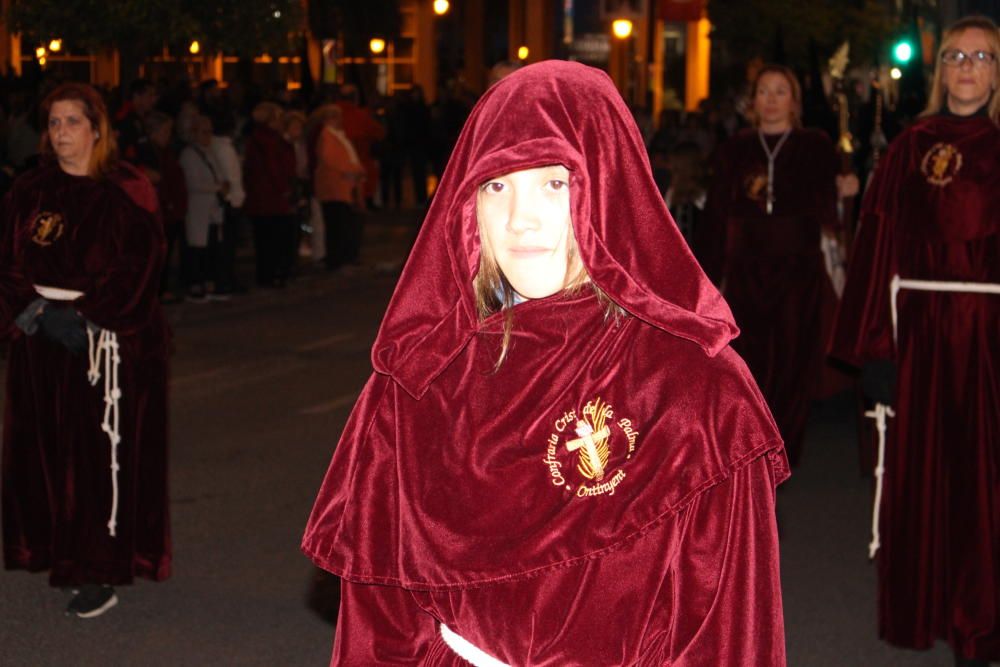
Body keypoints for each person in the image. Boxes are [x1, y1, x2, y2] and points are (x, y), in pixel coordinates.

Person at [302, 60, 788, 665]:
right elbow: (381, 633)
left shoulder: (697, 394)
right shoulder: (418, 387)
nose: (519, 219)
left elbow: (723, 640)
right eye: (497, 185)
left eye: (554, 183)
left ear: (610, 188)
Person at [830, 16, 1000, 667]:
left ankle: (982, 619)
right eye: (955, 55)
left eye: (981, 56)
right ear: (940, 70)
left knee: (986, 479)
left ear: (995, 71)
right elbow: (877, 246)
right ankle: (935, 606)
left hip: (989, 336)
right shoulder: (910, 146)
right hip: (924, 334)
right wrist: (876, 347)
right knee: (930, 477)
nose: (966, 66)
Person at [0, 82, 170, 618]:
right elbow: (8, 263)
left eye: (72, 122)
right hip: (42, 341)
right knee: (45, 452)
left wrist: (87, 314)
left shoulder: (126, 189)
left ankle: (100, 568)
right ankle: (57, 550)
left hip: (105, 346)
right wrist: (37, 315)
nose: (61, 133)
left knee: (97, 459)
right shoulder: (29, 192)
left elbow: (139, 267)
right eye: (53, 123)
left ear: (97, 129)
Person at [696, 64, 857, 466]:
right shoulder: (735, 148)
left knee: (792, 360)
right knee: (748, 360)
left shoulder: (815, 145)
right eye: (764, 91)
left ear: (794, 101)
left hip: (797, 271)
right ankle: (752, 445)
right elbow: (717, 214)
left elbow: (832, 213)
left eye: (780, 91)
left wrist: (847, 194)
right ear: (753, 101)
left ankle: (784, 449)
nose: (770, 99)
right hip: (747, 270)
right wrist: (704, 279)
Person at [243, 102, 297, 288]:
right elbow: (275, 168)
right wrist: (284, 189)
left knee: (265, 238)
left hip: (262, 197)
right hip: (271, 197)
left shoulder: (257, 139)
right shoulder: (269, 141)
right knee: (272, 238)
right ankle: (271, 275)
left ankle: (267, 274)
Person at [137, 111, 187, 302]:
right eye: (166, 131)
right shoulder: (148, 151)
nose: (169, 135)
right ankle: (157, 290)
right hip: (161, 210)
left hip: (171, 209)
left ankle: (161, 288)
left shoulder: (165, 151)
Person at [179, 114, 228, 301]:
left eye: (210, 132)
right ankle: (196, 285)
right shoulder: (189, 155)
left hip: (212, 210)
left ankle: (209, 282)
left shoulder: (209, 152)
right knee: (197, 249)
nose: (208, 136)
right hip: (198, 208)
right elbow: (192, 183)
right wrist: (217, 187)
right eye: (204, 132)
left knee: (211, 248)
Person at [312, 104, 364, 271]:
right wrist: (351, 169)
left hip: (343, 186)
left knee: (344, 223)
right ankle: (336, 259)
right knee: (336, 224)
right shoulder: (327, 136)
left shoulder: (337, 135)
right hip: (334, 187)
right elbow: (330, 158)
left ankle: (344, 256)